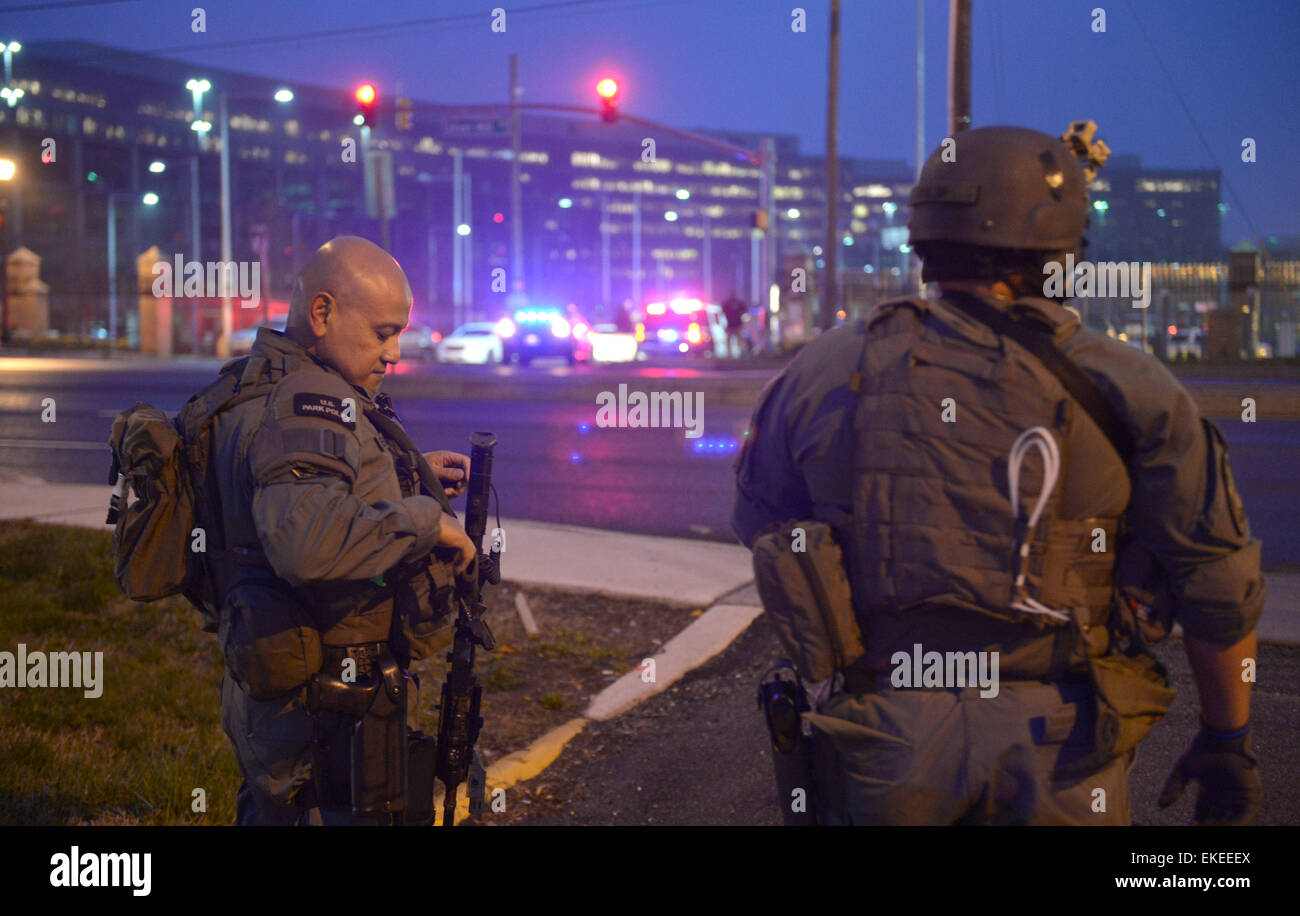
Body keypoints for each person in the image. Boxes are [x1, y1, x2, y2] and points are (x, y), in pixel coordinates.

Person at [733, 126, 1265, 826]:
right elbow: (1218, 586)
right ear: (1060, 249)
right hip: (1063, 739)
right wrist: (1227, 741)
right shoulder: (1130, 384)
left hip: (884, 730)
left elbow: (760, 522)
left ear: (925, 238)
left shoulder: (820, 370)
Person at [209, 235, 476, 825]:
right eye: (383, 332)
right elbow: (307, 542)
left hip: (285, 687)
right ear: (322, 312)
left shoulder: (256, 383)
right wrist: (425, 520)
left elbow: (298, 490)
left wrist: (406, 476)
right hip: (327, 704)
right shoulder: (308, 401)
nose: (395, 353)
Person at [722, 292, 747, 358]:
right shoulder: (727, 303)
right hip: (730, 324)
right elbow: (723, 309)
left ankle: (741, 352)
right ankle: (729, 354)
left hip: (737, 324)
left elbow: (744, 309)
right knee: (729, 340)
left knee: (740, 339)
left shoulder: (739, 303)